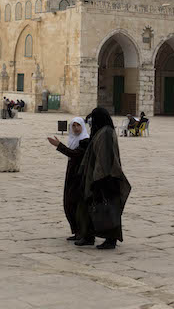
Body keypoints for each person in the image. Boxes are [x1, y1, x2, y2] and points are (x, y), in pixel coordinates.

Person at [75, 107, 132, 250]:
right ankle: (88, 235)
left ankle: (110, 239)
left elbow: (104, 157)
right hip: (97, 176)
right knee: (90, 206)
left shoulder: (105, 133)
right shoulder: (102, 131)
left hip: (105, 177)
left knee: (108, 209)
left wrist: (99, 178)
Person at [47, 117, 90, 241]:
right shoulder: (74, 140)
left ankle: (83, 233)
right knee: (69, 203)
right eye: (74, 126)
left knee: (77, 204)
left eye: (78, 126)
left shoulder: (85, 140)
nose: (76, 128)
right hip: (72, 175)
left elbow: (74, 154)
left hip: (80, 176)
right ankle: (77, 231)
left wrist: (59, 145)